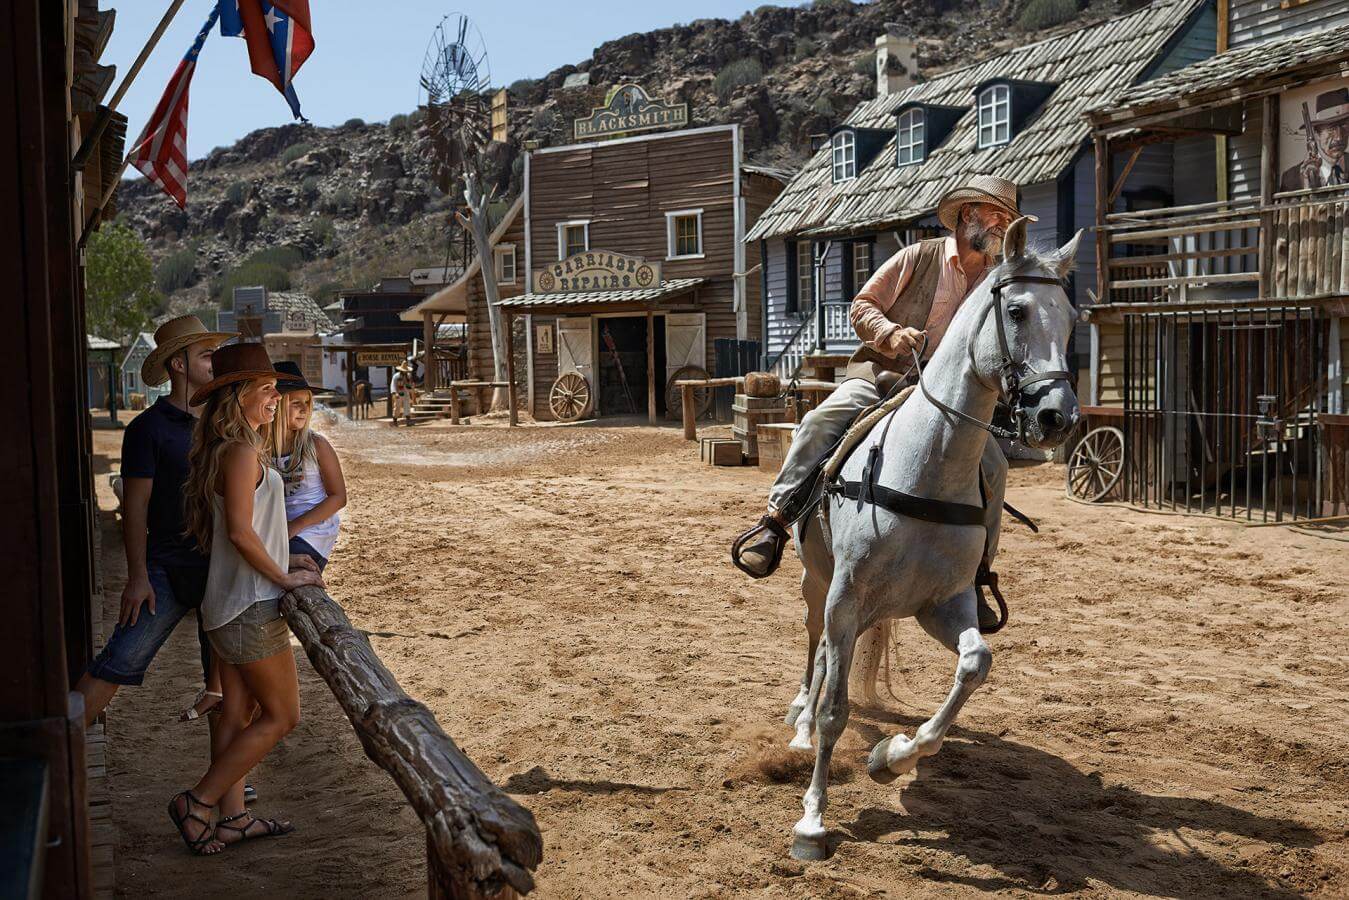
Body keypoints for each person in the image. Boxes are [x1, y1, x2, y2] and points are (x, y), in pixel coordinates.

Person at [734, 174, 1027, 601]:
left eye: (1008, 217)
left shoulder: (994, 281)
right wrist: (889, 333)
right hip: (883, 373)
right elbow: (862, 306)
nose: (1003, 225)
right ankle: (775, 523)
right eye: (997, 214)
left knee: (995, 466)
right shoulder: (917, 256)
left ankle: (980, 572)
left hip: (946, 395)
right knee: (821, 421)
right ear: (969, 215)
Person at [169, 343, 323, 855]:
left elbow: (253, 527)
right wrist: (283, 577)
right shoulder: (238, 452)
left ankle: (234, 819)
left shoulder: (231, 449)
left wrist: (288, 558)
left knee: (234, 716)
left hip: (229, 606)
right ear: (237, 397)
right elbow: (239, 532)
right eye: (265, 390)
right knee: (283, 716)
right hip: (251, 608)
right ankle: (199, 801)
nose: (276, 399)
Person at [75, 315, 237, 726]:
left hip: (220, 568)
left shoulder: (223, 423)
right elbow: (136, 507)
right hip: (164, 569)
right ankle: (56, 759)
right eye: (206, 354)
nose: (214, 360)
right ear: (178, 365)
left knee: (225, 681)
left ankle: (230, 786)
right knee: (116, 659)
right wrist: (136, 577)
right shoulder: (146, 429)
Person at [271, 361, 346, 571]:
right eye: (296, 403)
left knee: (286, 567)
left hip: (313, 529)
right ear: (275, 404)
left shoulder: (316, 445)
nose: (304, 409)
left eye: (307, 402)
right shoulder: (260, 448)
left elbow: (339, 496)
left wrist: (295, 526)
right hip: (276, 529)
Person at [1280, 88, 1349, 192]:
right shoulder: (1291, 179)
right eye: (1331, 129)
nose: (1339, 137)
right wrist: (1307, 186)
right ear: (1317, 134)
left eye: (1344, 126)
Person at [390, 360, 415, 425]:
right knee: (397, 407)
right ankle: (395, 420)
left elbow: (409, 385)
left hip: (406, 393)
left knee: (407, 406)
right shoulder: (396, 376)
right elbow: (393, 385)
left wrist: (411, 388)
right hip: (398, 393)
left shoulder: (408, 376)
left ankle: (408, 421)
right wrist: (395, 393)